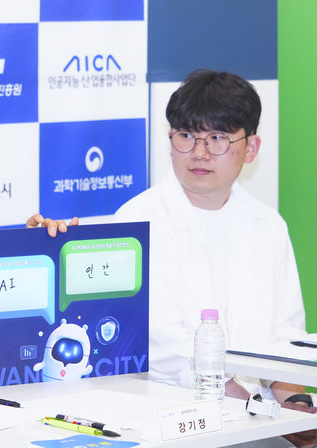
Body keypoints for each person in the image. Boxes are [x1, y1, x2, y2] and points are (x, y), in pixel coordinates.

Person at [28, 70, 316, 447]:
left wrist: (298, 410)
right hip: (170, 418)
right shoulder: (136, 223)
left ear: (251, 148)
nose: (199, 153)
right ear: (170, 140)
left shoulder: (268, 225)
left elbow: (285, 342)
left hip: (256, 415)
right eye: (186, 136)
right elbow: (172, 354)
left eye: (217, 138)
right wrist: (266, 416)